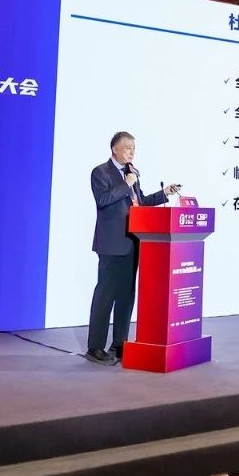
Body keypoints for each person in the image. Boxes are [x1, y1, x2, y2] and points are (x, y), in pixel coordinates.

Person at [86, 131, 181, 365]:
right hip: (111, 244)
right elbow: (103, 200)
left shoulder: (133, 174)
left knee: (126, 296)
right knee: (105, 295)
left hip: (133, 242)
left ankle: (119, 343)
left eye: (134, 148)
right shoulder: (101, 172)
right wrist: (125, 183)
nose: (131, 152)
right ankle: (95, 347)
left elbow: (140, 203)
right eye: (127, 147)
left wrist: (163, 193)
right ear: (114, 149)